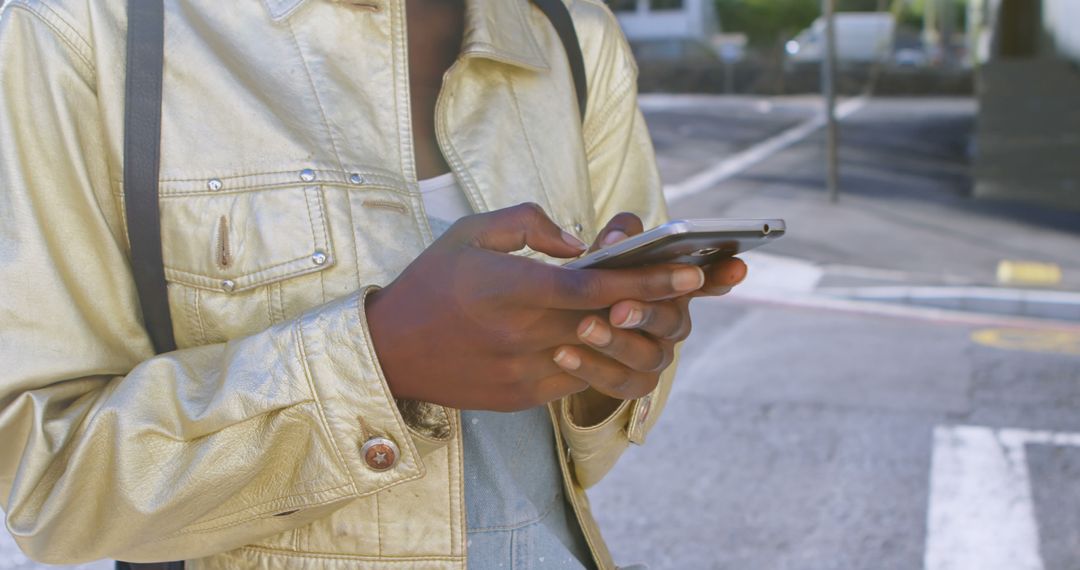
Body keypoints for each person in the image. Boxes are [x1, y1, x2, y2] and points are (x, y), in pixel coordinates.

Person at [0, 0, 747, 568]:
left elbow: (581, 459)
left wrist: (606, 361)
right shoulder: (81, 35)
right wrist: (379, 363)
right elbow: (48, 483)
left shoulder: (571, 39)